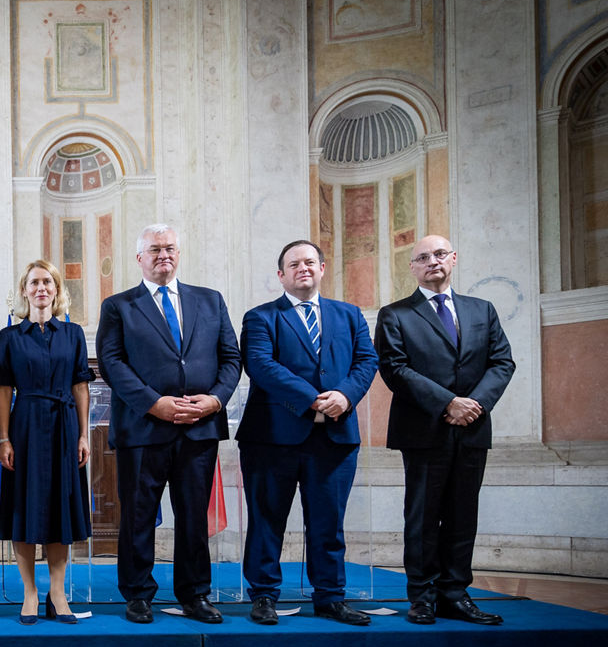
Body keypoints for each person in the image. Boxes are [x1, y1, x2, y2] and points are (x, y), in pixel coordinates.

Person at [96, 224, 241, 624]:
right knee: (138, 514)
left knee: (194, 516)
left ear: (179, 253)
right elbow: (112, 362)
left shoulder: (210, 301)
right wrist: (153, 403)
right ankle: (138, 594)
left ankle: (194, 594)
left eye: (170, 248)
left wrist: (213, 400)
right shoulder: (118, 306)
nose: (164, 255)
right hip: (144, 429)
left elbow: (231, 358)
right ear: (139, 257)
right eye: (155, 249)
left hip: (199, 428)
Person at [237, 240, 378, 626]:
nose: (304, 268)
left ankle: (330, 597)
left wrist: (346, 395)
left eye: (310, 262)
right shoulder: (261, 317)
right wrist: (315, 399)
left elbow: (368, 360)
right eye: (294, 264)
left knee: (328, 523)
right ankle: (264, 596)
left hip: (334, 438)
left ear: (322, 268)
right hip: (271, 439)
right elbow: (261, 365)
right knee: (266, 520)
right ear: (281, 274)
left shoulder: (349, 315)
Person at [376, 234, 515, 625]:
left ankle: (455, 593)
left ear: (453, 258)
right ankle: (421, 596)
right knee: (422, 516)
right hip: (423, 429)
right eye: (423, 257)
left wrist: (474, 405)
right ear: (412, 268)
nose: (432, 261)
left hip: (472, 427)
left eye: (439, 254)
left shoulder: (482, 310)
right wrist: (447, 404)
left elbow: (502, 362)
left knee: (462, 515)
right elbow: (395, 369)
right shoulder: (395, 314)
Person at [0, 260, 92, 624]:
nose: (41, 288)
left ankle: (58, 592)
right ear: (24, 290)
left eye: (47, 282)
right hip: (25, 427)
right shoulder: (10, 337)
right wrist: (4, 438)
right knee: (24, 508)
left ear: (56, 289)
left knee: (60, 510)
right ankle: (30, 593)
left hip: (65, 428)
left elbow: (80, 386)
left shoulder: (74, 334)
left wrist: (83, 434)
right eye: (34, 282)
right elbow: (5, 390)